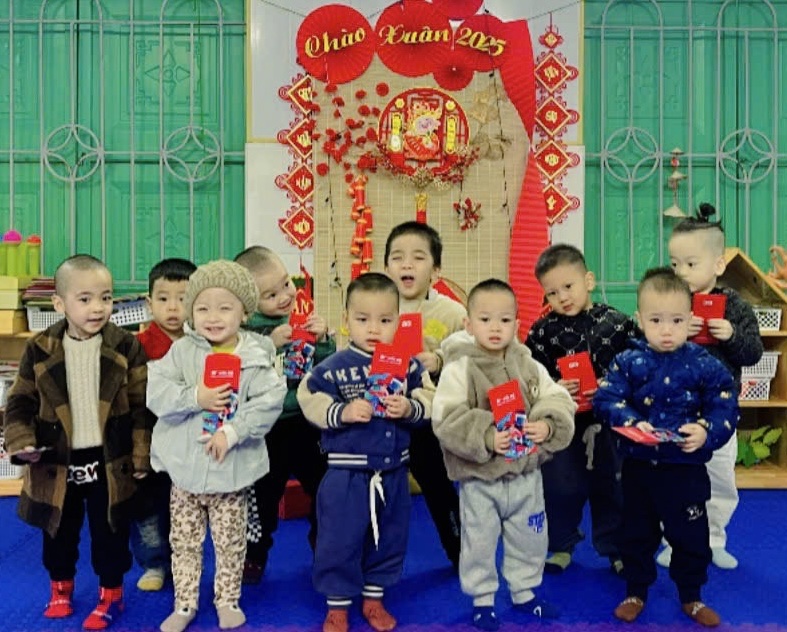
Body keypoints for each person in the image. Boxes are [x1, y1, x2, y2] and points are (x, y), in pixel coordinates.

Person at [4, 254, 151, 630]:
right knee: (57, 529)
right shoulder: (40, 347)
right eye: (85, 299)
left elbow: (141, 406)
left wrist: (140, 456)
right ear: (59, 303)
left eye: (106, 297)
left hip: (109, 459)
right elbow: (19, 401)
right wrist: (21, 441)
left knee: (110, 530)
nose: (98, 307)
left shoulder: (126, 346)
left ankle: (111, 593)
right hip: (57, 459)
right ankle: (60, 587)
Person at [593, 267, 739, 627]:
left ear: (690, 319)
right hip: (638, 468)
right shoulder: (628, 361)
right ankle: (635, 591)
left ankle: (691, 596)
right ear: (640, 320)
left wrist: (705, 430)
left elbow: (725, 403)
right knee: (636, 533)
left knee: (691, 536)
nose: (667, 330)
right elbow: (606, 398)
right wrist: (630, 421)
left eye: (676, 320)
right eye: (656, 320)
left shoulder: (704, 363)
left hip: (685, 470)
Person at [147, 260, 287, 632]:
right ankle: (184, 603)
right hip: (185, 473)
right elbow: (156, 391)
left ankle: (227, 599)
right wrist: (196, 396)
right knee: (184, 542)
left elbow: (269, 401)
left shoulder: (254, 357)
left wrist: (234, 432)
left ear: (245, 312)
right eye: (203, 308)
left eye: (225, 308)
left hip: (231, 475)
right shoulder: (181, 352)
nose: (213, 317)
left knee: (231, 542)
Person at [432, 278, 576, 631]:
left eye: (505, 320)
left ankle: (524, 592)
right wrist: (486, 435)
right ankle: (482, 599)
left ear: (517, 323)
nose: (495, 328)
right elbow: (445, 418)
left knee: (530, 537)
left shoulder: (528, 363)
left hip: (526, 475)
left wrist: (547, 424)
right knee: (479, 542)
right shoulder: (460, 368)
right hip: (481, 479)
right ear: (468, 324)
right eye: (485, 319)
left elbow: (556, 397)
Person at [297, 272, 434, 632]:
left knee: (389, 537)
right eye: (362, 319)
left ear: (398, 322)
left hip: (393, 472)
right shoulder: (333, 367)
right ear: (346, 320)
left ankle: (374, 597)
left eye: (385, 320)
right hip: (346, 474)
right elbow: (308, 397)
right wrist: (341, 412)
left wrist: (409, 407)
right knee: (338, 541)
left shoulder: (409, 365)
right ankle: (337, 604)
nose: (374, 328)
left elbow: (431, 399)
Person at [661, 203, 763, 570]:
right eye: (675, 264)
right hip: (677, 410)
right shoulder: (670, 303)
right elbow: (651, 348)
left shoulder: (736, 306)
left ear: (718, 265)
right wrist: (675, 332)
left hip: (720, 413)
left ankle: (714, 539)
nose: (681, 272)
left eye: (691, 264)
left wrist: (731, 335)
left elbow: (753, 353)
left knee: (720, 480)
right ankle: (674, 540)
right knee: (676, 479)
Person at [526, 244, 638, 574]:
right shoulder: (541, 332)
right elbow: (530, 379)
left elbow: (638, 367)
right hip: (563, 425)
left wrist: (611, 383)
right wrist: (555, 386)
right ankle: (560, 545)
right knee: (559, 485)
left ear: (588, 280)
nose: (562, 297)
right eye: (552, 293)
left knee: (614, 484)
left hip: (610, 422)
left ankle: (617, 548)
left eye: (568, 286)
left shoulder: (618, 323)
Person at [233, 246, 334, 584]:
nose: (285, 296)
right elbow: (239, 374)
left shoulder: (297, 322)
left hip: (304, 424)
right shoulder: (243, 336)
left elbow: (321, 373)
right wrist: (269, 345)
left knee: (326, 486)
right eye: (271, 295)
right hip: (266, 431)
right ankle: (253, 555)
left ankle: (325, 545)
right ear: (248, 304)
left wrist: (323, 342)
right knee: (261, 498)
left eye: (286, 284)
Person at [383, 220, 465, 569]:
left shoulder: (452, 312)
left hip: (427, 416)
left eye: (418, 257)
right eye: (397, 257)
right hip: (384, 411)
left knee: (438, 484)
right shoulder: (377, 306)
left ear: (436, 270)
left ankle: (460, 549)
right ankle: (370, 556)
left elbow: (471, 358)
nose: (407, 264)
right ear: (386, 267)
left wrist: (440, 360)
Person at [132, 257, 197, 592]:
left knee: (186, 506)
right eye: (163, 298)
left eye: (183, 299)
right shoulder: (138, 346)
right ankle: (154, 562)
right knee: (148, 505)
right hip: (151, 440)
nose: (173, 307)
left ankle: (185, 561)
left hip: (191, 442)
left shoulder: (203, 342)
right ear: (148, 303)